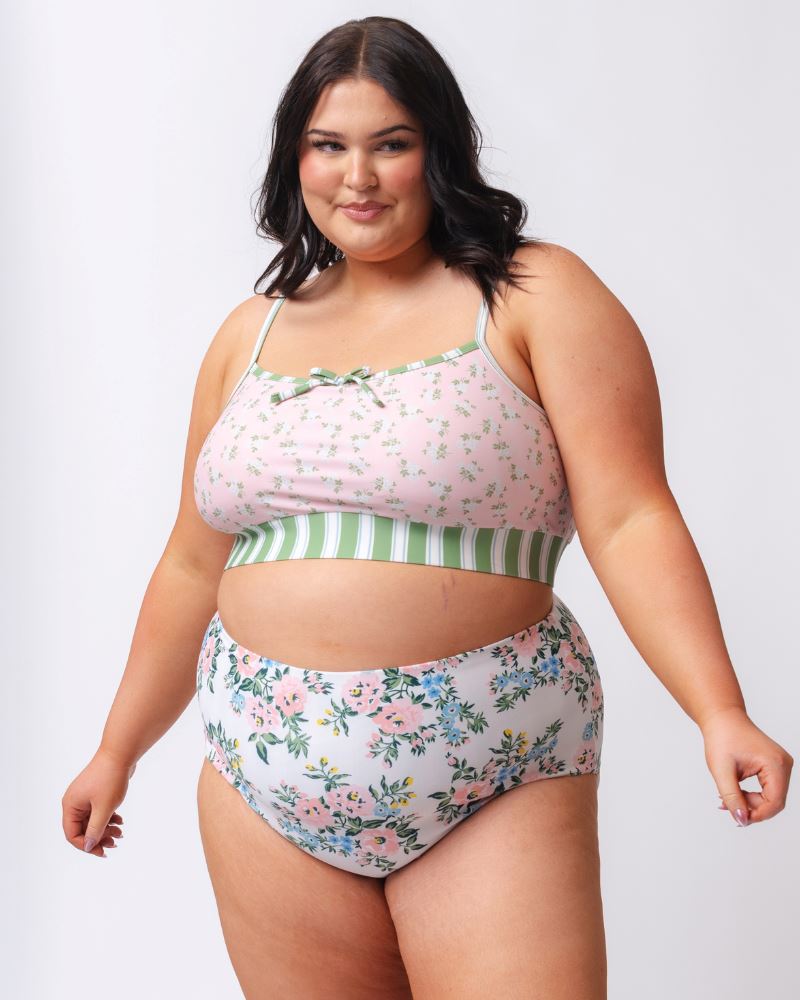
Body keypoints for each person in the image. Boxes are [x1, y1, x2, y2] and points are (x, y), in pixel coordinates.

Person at [61, 15, 794, 1000]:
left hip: (492, 763)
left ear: (438, 149)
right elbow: (193, 563)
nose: (356, 177)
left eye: (390, 144)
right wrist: (116, 749)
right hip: (262, 778)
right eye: (328, 145)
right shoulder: (250, 333)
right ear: (294, 159)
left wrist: (718, 709)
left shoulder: (532, 294)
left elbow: (629, 518)